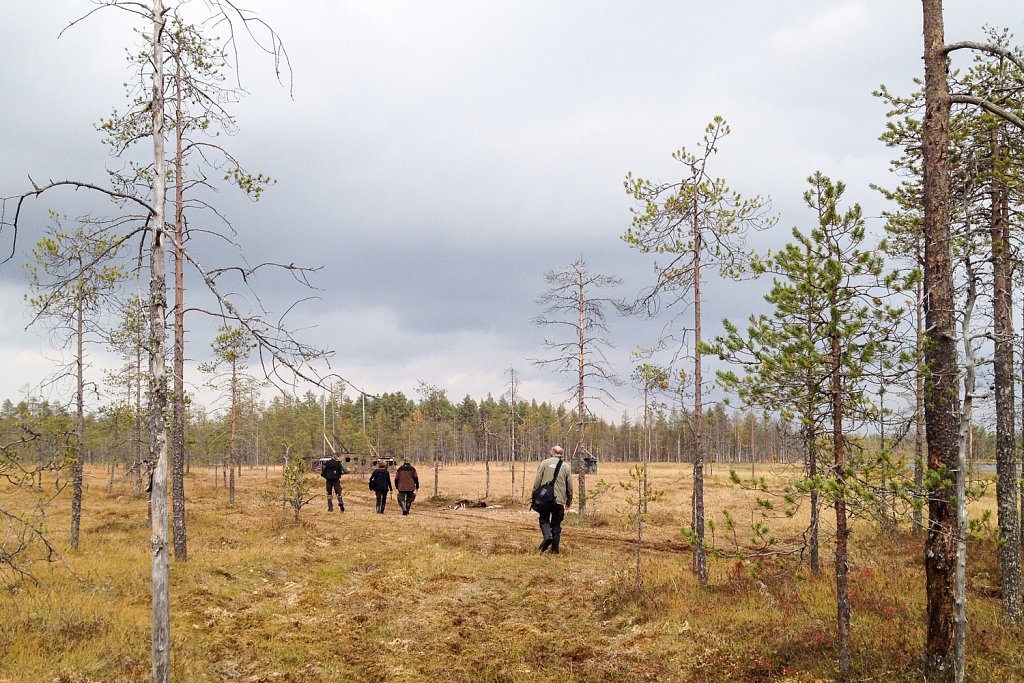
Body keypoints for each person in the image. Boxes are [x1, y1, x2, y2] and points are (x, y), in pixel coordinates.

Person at [532, 445, 573, 554]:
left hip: (545, 499)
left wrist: (534, 494)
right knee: (556, 523)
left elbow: (538, 480)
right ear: (561, 454)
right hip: (559, 500)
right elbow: (569, 486)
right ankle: (555, 550)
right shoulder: (566, 467)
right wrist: (569, 500)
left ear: (553, 452)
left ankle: (547, 537)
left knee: (544, 519)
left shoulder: (544, 463)